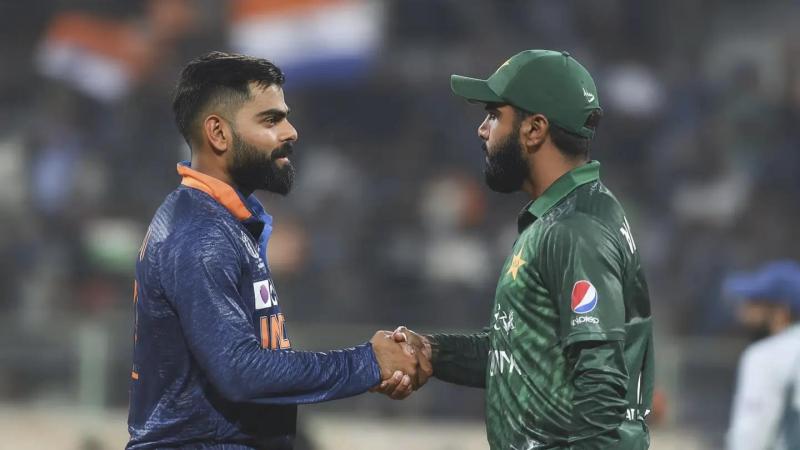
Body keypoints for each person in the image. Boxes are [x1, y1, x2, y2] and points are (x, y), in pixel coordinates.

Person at [127, 51, 429, 450]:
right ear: (218, 133)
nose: (291, 132)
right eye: (270, 120)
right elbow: (240, 372)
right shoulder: (201, 233)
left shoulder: (220, 220)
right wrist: (368, 363)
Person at [375, 50, 655, 449]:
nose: (481, 130)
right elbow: (520, 353)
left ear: (535, 129)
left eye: (494, 115)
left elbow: (600, 387)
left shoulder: (575, 229)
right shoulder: (563, 217)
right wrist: (433, 352)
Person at [724, 260, 800, 450]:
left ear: (781, 312)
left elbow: (749, 441)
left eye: (754, 303)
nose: (743, 312)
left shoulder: (764, 356)